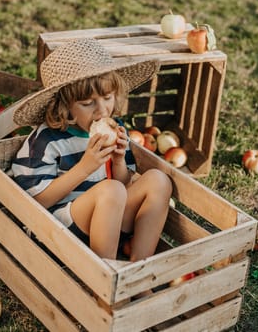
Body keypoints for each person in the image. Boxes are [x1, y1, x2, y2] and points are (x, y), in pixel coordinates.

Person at [10, 38, 173, 264]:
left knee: (158, 180)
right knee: (111, 190)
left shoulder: (115, 129)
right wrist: (85, 167)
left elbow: (125, 184)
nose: (101, 110)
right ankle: (104, 280)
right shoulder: (47, 140)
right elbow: (35, 202)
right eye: (88, 103)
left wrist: (118, 162)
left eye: (107, 98)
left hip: (110, 222)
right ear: (64, 106)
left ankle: (139, 271)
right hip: (63, 230)